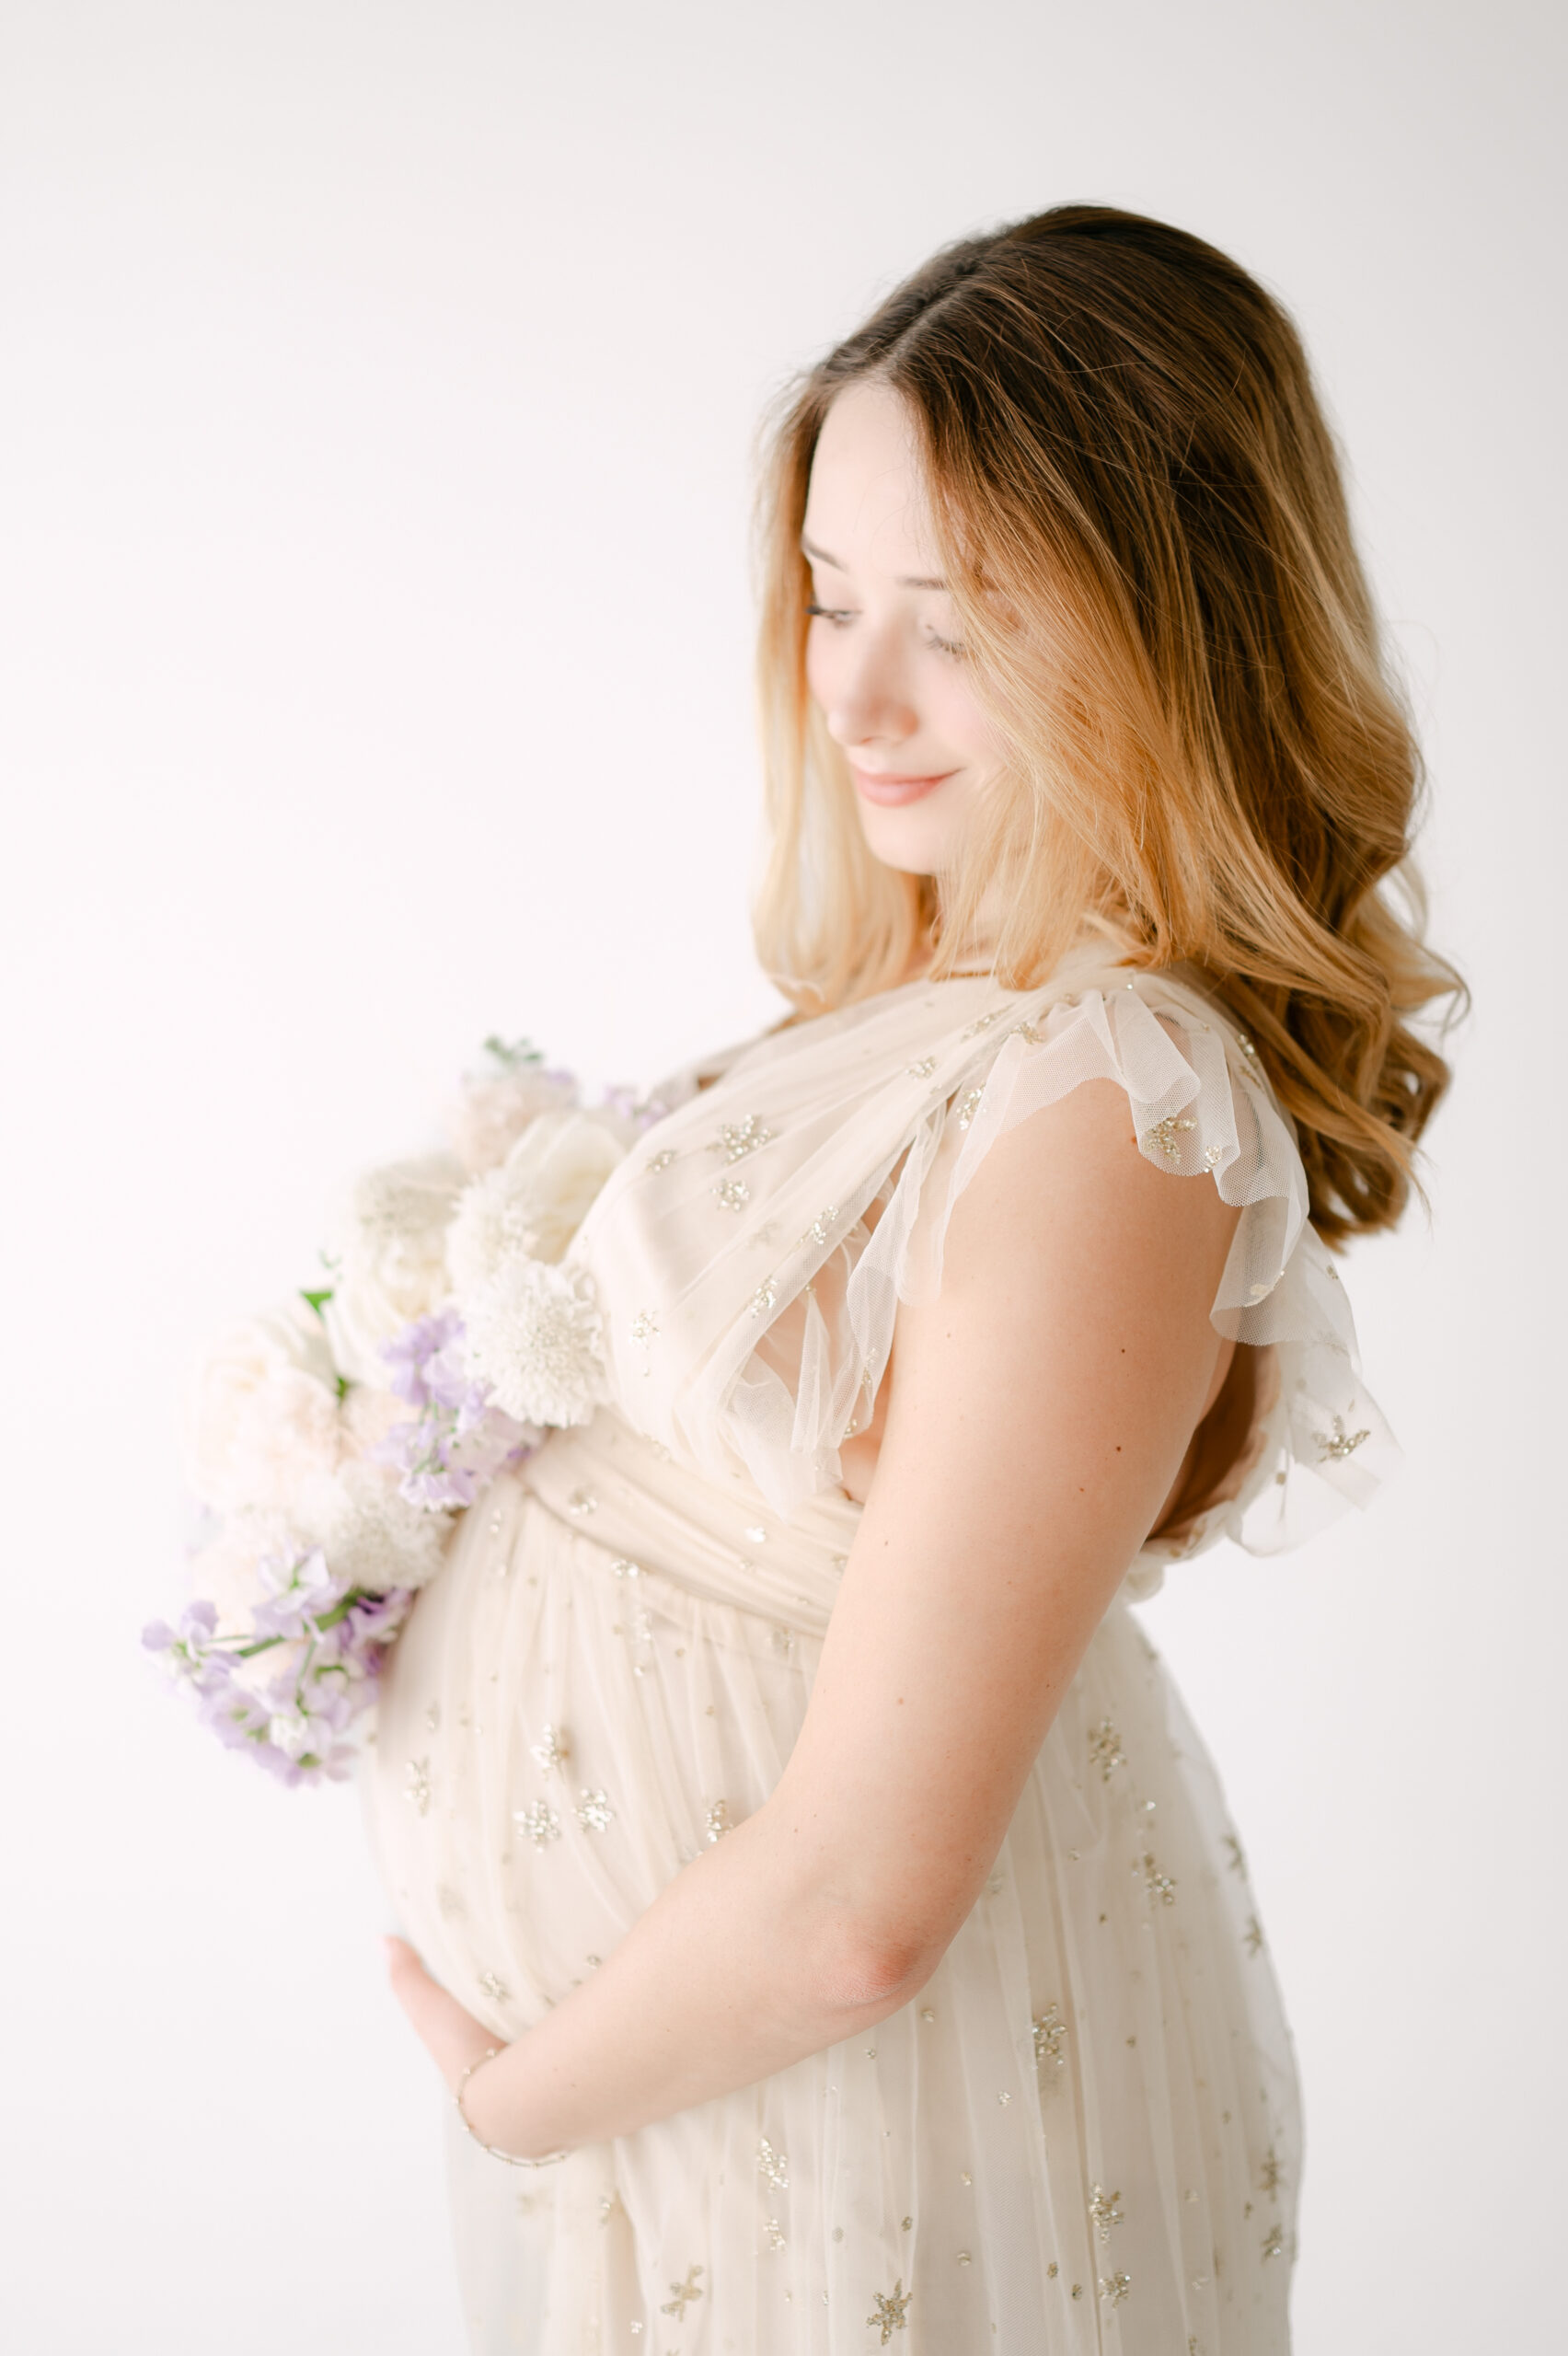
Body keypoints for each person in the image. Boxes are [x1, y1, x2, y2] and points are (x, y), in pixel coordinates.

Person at [366, 204, 1456, 2352]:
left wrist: (520, 2098)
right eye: (832, 598)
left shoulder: (1112, 1094)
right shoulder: (956, 1006)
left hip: (842, 2104)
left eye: (951, 622)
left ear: (1168, 629)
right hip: (729, 2110)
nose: (851, 689)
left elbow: (863, 1902)